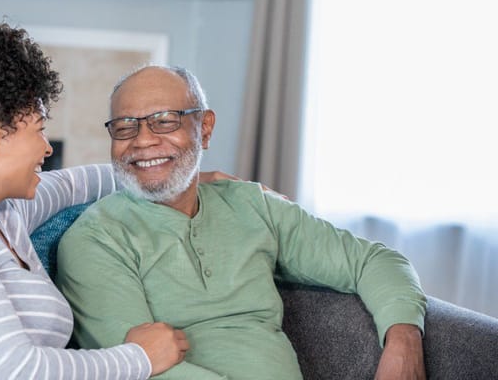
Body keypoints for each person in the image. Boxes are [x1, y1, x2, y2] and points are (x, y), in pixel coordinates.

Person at [0, 10, 216, 379]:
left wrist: (180, 174)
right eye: (39, 129)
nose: (47, 148)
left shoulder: (7, 216)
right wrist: (140, 357)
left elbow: (76, 183)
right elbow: (16, 371)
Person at [56, 65, 428, 380]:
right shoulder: (95, 239)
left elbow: (373, 261)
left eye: (164, 121)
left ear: (204, 128)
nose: (143, 140)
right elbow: (138, 369)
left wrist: (404, 338)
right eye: (125, 127)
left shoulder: (253, 206)